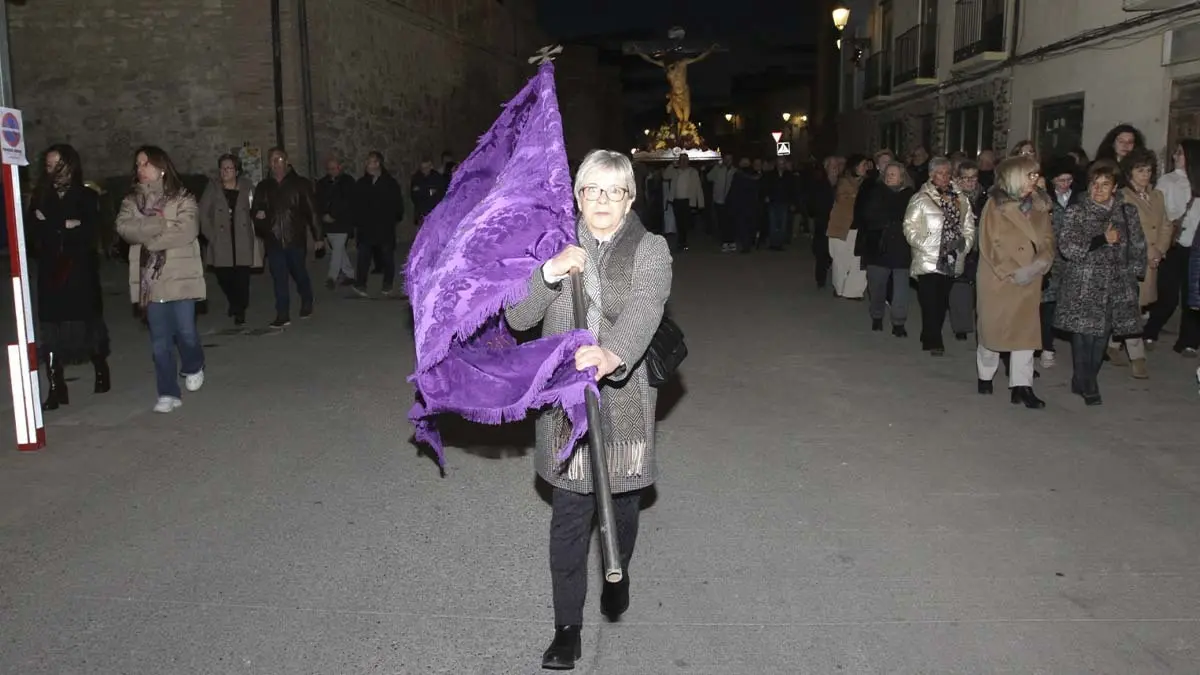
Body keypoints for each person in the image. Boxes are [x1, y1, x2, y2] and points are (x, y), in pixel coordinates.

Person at [504, 149, 672, 671]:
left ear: (630, 198)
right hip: (566, 404)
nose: (602, 200)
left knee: (622, 509)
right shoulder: (552, 244)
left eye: (614, 191)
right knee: (569, 517)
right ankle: (567, 629)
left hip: (624, 399)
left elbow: (646, 309)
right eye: (592, 190)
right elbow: (518, 316)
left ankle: (617, 570)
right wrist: (550, 273)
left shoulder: (651, 248)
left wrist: (610, 355)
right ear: (578, 196)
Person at [116, 146, 206, 414]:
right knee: (159, 342)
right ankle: (167, 392)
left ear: (162, 167)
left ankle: (194, 364)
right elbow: (124, 228)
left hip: (180, 277)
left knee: (186, 332)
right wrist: (158, 224)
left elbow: (187, 229)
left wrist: (150, 240)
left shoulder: (182, 197)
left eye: (146, 163)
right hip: (151, 282)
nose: (141, 169)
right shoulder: (132, 201)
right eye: (138, 164)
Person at [1054, 161, 1146, 406]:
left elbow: (1138, 245)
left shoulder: (1127, 212)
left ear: (1115, 187)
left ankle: (1086, 378)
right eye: (1095, 184)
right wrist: (1101, 239)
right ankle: (1087, 383)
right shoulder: (1077, 211)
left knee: (1102, 335)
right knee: (1083, 335)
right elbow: (1067, 247)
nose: (1099, 189)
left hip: (1115, 284)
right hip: (1083, 284)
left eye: (1105, 185)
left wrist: (1135, 275)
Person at [28, 143, 110, 409]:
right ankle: (55, 386)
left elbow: (88, 233)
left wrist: (52, 224)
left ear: (70, 166)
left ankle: (100, 368)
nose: (52, 170)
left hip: (78, 270)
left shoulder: (86, 196)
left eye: (58, 165)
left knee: (87, 323)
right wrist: (64, 225)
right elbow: (33, 234)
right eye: (48, 165)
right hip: (50, 271)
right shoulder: (41, 197)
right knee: (51, 329)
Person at [975, 156, 1053, 408]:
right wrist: (1012, 271)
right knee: (993, 331)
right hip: (999, 278)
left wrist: (1040, 263)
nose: (1035, 179)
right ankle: (985, 374)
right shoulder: (994, 205)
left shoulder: (1039, 205)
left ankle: (1022, 386)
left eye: (1036, 175)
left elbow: (1048, 239)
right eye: (1030, 175)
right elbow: (990, 244)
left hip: (1030, 277)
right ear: (1015, 176)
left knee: (1025, 335)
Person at [904, 156, 977, 355]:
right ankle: (934, 339)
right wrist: (923, 244)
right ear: (931, 175)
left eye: (947, 173)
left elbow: (968, 226)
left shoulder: (960, 198)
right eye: (940, 173)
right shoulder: (921, 198)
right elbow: (909, 227)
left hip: (951, 256)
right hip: (928, 257)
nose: (944, 177)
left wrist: (965, 245)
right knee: (929, 300)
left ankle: (929, 332)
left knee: (942, 300)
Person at [252, 147, 323, 327]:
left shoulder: (300, 184)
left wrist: (318, 237)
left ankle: (307, 299)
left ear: (287, 161)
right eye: (272, 160)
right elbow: (256, 209)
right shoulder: (264, 186)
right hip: (273, 239)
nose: (276, 164)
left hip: (295, 238)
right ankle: (282, 313)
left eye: (279, 159)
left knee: (299, 272)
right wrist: (259, 217)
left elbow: (313, 211)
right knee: (279, 277)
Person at [198, 153, 259, 325]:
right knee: (224, 277)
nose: (225, 171)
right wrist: (211, 235)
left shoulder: (247, 187)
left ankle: (240, 309)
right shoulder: (213, 188)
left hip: (242, 238)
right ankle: (234, 301)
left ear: (237, 171)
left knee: (242, 278)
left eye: (229, 168)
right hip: (221, 240)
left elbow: (256, 207)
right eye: (222, 168)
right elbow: (203, 213)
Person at [858, 161, 914, 336]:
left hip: (902, 247)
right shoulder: (875, 193)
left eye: (893, 174)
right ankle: (877, 315)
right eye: (887, 174)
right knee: (877, 286)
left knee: (901, 289)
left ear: (902, 177)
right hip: (878, 246)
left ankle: (899, 322)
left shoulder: (911, 196)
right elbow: (867, 216)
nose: (889, 177)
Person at [352, 151, 404, 297]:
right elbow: (355, 204)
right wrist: (357, 221)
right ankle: (360, 284)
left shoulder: (389, 183)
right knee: (363, 256)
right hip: (366, 228)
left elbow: (397, 204)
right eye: (367, 162)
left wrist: (393, 219)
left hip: (384, 227)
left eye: (371, 162)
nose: (368, 165)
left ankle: (387, 283)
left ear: (378, 163)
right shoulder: (362, 183)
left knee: (387, 256)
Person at [315, 155, 357, 289]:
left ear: (340, 167)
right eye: (329, 169)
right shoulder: (322, 183)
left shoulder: (348, 182)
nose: (331, 171)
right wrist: (323, 215)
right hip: (328, 223)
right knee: (339, 250)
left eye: (334, 168)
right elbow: (319, 201)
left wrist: (334, 215)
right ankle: (349, 274)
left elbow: (348, 202)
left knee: (337, 249)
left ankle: (331, 277)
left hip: (343, 222)